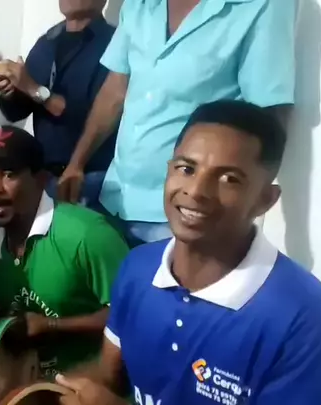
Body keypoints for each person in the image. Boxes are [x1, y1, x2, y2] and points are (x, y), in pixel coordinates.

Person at [53, 101, 321, 405]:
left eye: (229, 179)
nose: (196, 191)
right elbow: (108, 378)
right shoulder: (138, 268)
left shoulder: (308, 324)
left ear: (265, 200)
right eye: (186, 169)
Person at [58, 0, 297, 246]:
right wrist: (76, 163)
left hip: (184, 212)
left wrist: (246, 213)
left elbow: (268, 117)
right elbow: (114, 92)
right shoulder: (139, 4)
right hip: (115, 198)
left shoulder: (261, 5)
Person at [0, 125, 128, 398]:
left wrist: (51, 325)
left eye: (9, 174)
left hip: (95, 390)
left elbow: (133, 316)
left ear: (41, 179)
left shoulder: (87, 235)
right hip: (35, 392)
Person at [0, 0, 115, 211]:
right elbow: (15, 112)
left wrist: (33, 88)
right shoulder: (46, 43)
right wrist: (11, 90)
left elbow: (98, 117)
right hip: (43, 177)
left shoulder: (114, 43)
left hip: (89, 179)